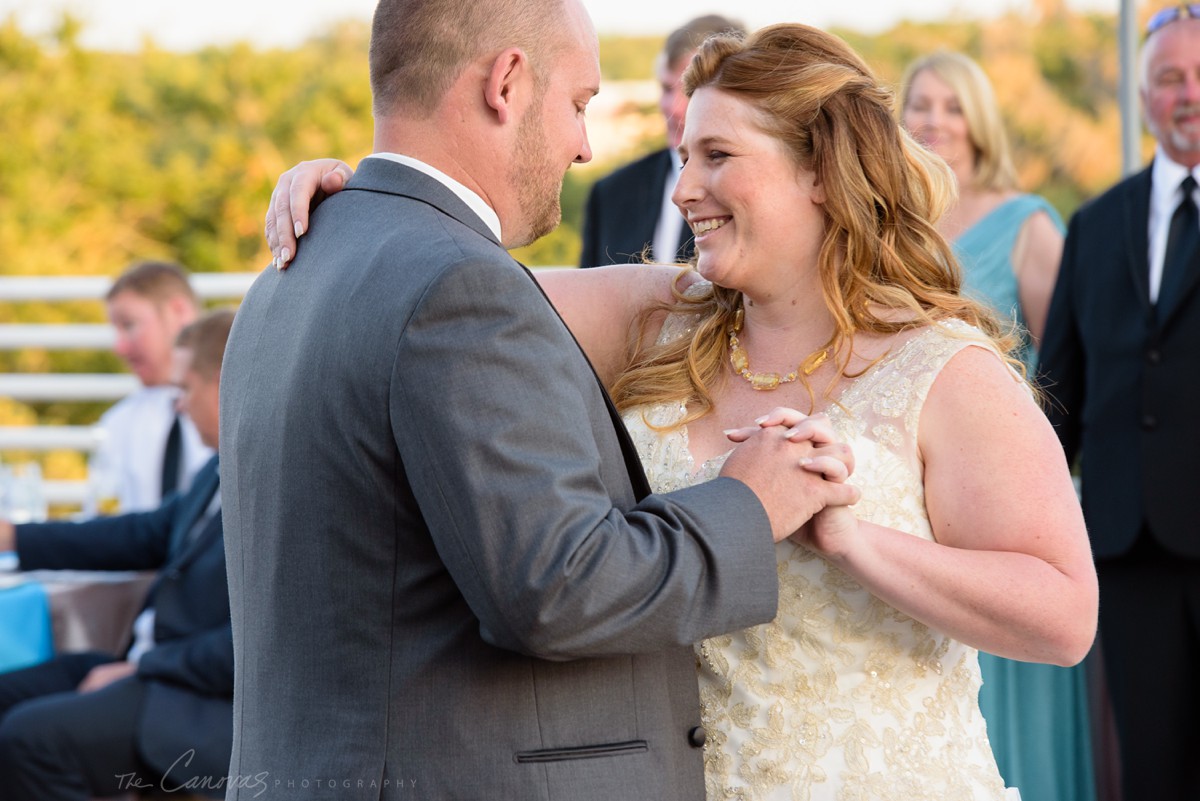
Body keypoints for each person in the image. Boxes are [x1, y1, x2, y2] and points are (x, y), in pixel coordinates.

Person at [267, 21, 1099, 801]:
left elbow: (1065, 615)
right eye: (681, 157)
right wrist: (366, 200)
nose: (684, 190)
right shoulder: (659, 318)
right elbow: (442, 288)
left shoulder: (943, 367)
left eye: (716, 156)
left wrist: (855, 541)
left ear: (819, 169)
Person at [227, 2, 859, 800]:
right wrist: (746, 501)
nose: (585, 145)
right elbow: (558, 589)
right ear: (507, 82)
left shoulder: (293, 270)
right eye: (579, 104)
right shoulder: (459, 286)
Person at [899, 51, 1096, 801]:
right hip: (916, 505)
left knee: (1010, 705)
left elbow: (1069, 369)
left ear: (979, 122)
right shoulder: (893, 225)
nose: (935, 120)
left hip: (1006, 500)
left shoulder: (1026, 224)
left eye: (953, 106)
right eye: (921, 104)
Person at [1039, 8, 1200, 800]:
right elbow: (1059, 395)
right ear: (1143, 95)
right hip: (1128, 545)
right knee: (1150, 770)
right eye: (1171, 78)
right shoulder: (1095, 224)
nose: (1190, 94)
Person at [0, 308, 235, 801]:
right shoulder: (216, 472)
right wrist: (14, 538)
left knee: (27, 739)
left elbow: (256, 644)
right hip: (145, 667)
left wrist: (145, 668)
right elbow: (138, 534)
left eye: (185, 389)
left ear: (223, 382)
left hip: (191, 700)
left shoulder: (274, 487)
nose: (177, 406)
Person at [578, 13, 744, 267]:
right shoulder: (610, 193)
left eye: (689, 92)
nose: (674, 108)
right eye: (667, 88)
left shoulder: (750, 197)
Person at [92, 261, 214, 513]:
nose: (120, 347)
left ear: (179, 313)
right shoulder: (117, 425)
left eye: (129, 325)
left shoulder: (226, 415)